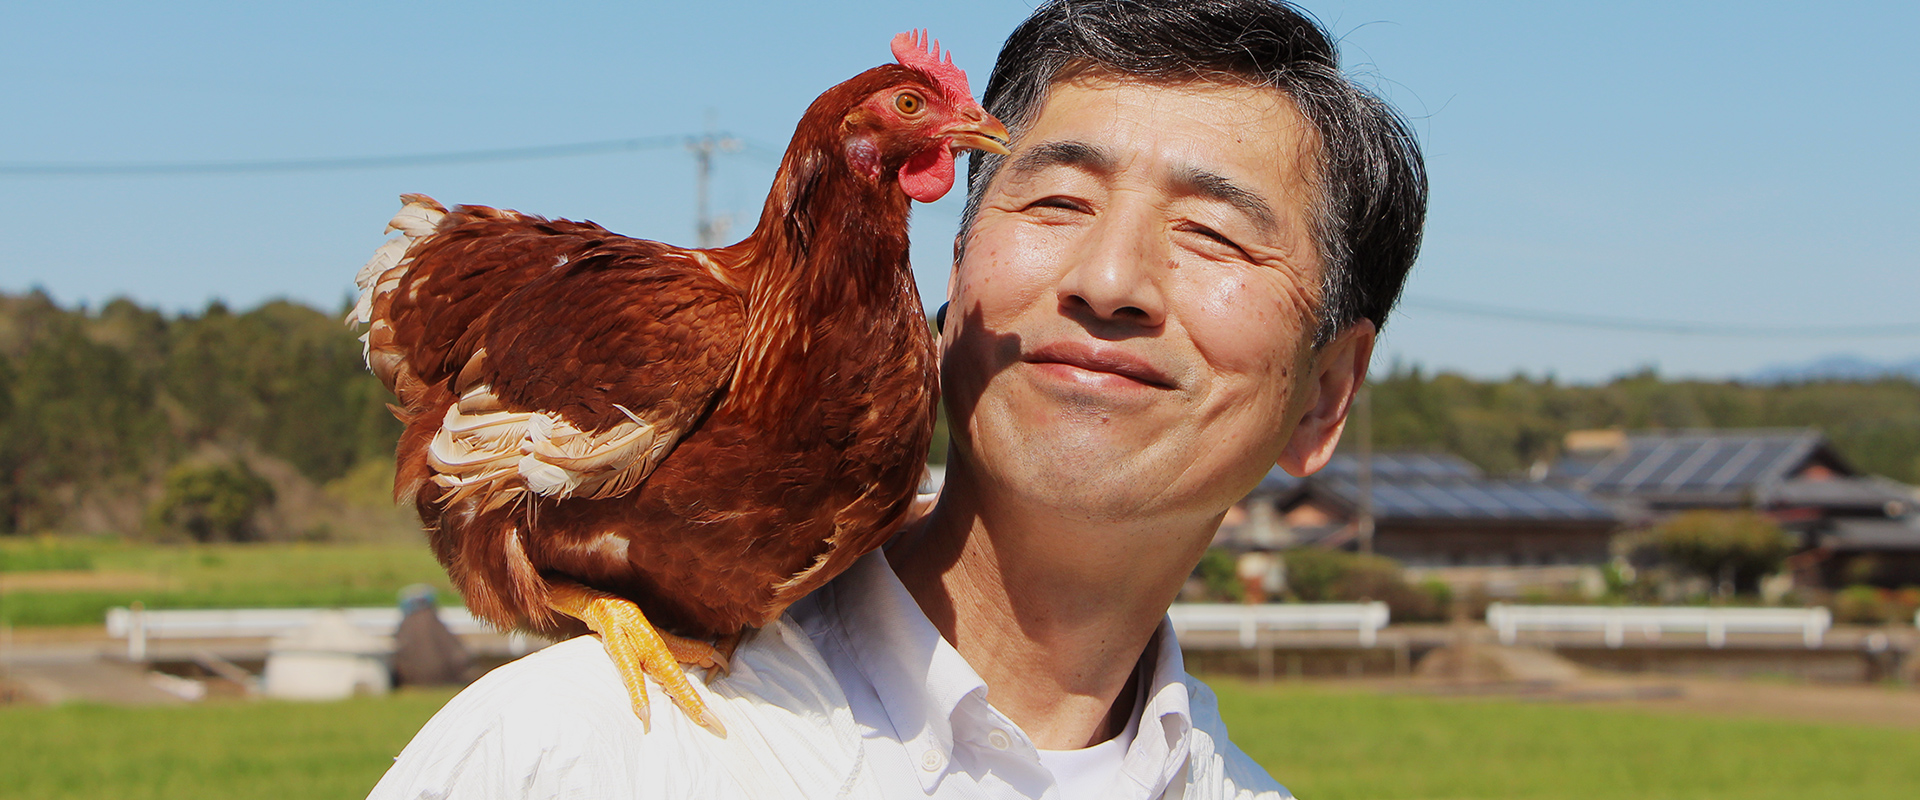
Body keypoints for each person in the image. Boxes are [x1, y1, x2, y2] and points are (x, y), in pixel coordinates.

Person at [366, 1, 1424, 798]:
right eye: (1056, 199)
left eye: (1213, 232)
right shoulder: (577, 749)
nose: (1108, 280)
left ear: (1328, 394)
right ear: (956, 277)